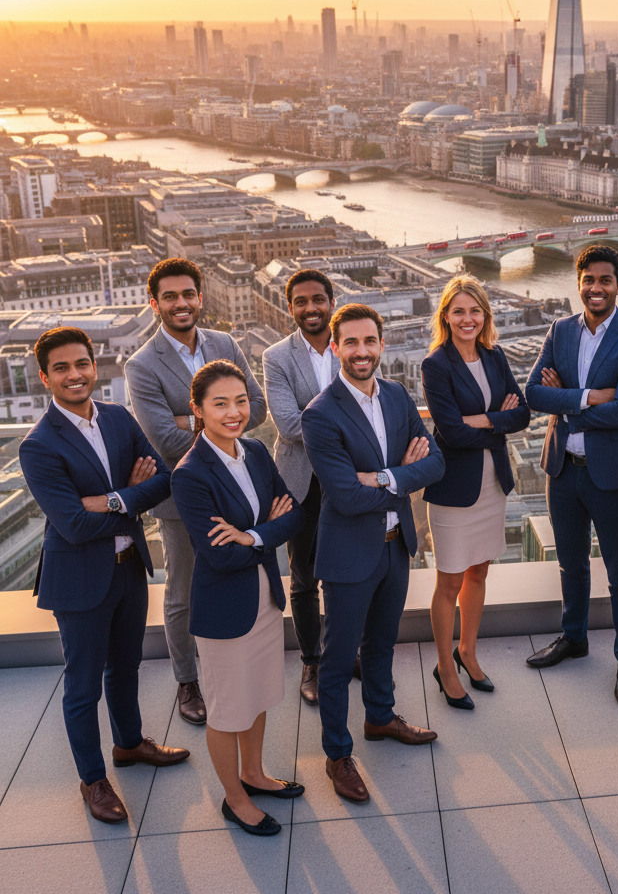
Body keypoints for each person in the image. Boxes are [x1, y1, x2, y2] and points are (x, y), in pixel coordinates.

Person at [19, 327, 189, 825]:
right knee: (83, 685)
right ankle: (93, 780)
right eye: (63, 368)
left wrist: (111, 500)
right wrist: (130, 501)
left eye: (82, 364)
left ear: (96, 367)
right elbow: (72, 525)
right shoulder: (39, 445)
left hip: (129, 568)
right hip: (80, 579)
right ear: (46, 377)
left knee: (126, 666)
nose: (75, 375)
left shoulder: (118, 418)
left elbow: (162, 479)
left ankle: (130, 744)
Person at [301, 304, 445, 804]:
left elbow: (436, 464)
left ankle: (380, 718)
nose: (362, 352)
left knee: (383, 643)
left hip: (394, 546)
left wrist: (381, 478)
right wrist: (401, 480)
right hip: (348, 554)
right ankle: (338, 755)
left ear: (382, 345)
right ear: (336, 347)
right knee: (338, 661)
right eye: (351, 343)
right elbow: (344, 496)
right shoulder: (319, 415)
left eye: (370, 342)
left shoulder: (400, 397)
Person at [125, 257, 266, 725]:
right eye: (170, 296)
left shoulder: (225, 343)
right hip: (180, 497)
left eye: (188, 294)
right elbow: (162, 438)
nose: (181, 303)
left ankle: (236, 662)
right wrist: (225, 419)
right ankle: (187, 680)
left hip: (238, 489)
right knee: (182, 592)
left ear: (200, 297)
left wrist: (196, 419)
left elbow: (258, 407)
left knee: (238, 574)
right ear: (155, 304)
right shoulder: (141, 365)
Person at [171, 360, 306, 836]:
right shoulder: (189, 475)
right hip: (226, 610)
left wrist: (249, 536)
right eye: (220, 404)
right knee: (228, 709)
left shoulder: (254, 450)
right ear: (198, 410)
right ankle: (234, 798)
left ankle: (253, 773)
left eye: (241, 401)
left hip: (264, 598)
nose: (234, 412)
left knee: (259, 694)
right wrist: (263, 533)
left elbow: (293, 515)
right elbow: (219, 557)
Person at [524, 246, 618, 704]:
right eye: (588, 280)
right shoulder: (560, 330)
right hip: (562, 470)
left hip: (612, 474)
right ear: (578, 283)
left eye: (605, 280)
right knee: (571, 564)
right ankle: (573, 638)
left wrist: (569, 403)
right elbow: (533, 393)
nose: (596, 288)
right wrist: (587, 397)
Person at [421, 275, 530, 709]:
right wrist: (494, 421)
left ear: (485, 315)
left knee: (479, 573)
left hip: (491, 484)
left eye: (475, 311)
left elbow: (521, 413)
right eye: (458, 311)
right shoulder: (436, 364)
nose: (467, 319)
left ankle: (467, 651)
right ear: (445, 316)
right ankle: (446, 665)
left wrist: (479, 421)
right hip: (454, 488)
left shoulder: (494, 355)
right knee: (449, 581)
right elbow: (449, 431)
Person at [263, 268, 339, 705]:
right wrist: (348, 427)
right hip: (302, 481)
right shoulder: (277, 357)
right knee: (305, 579)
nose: (310, 308)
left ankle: (343, 651)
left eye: (318, 299)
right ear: (289, 306)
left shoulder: (352, 342)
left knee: (347, 574)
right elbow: (288, 425)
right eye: (301, 301)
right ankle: (311, 659)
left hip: (349, 479)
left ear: (331, 300)